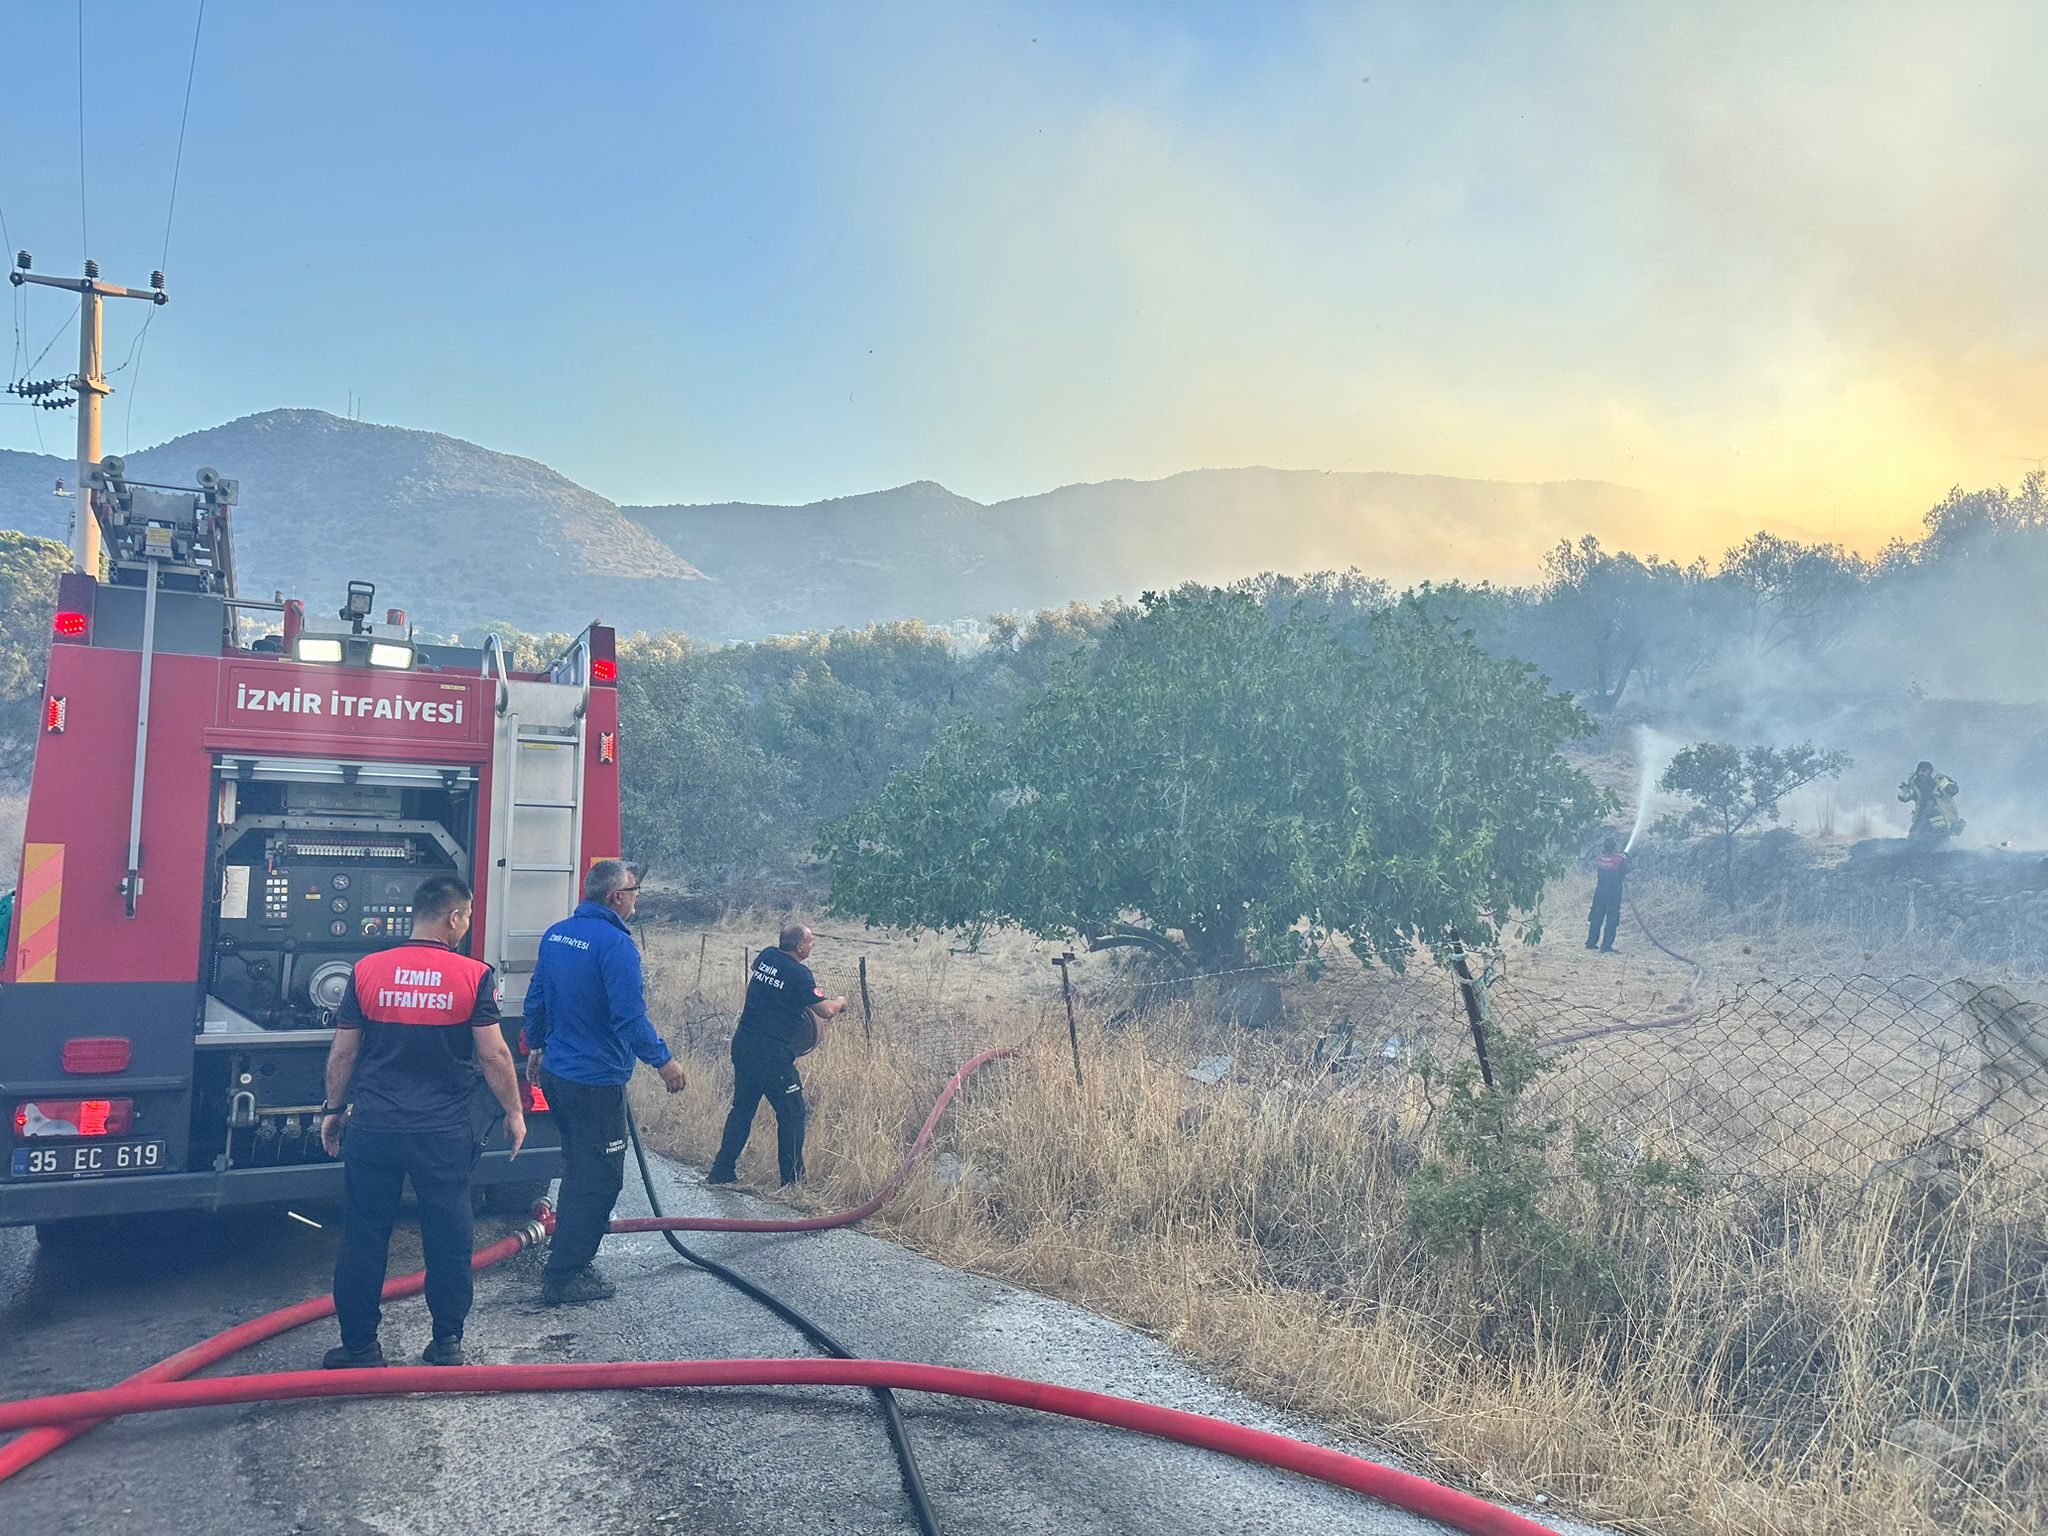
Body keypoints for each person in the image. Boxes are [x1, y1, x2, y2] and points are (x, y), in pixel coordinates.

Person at [319, 874, 525, 1369]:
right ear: (454, 917)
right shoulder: (474, 976)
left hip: (374, 1128)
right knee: (449, 1237)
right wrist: (514, 1111)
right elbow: (495, 1055)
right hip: (442, 1133)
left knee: (364, 1236)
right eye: (468, 916)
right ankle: (446, 1343)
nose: (467, 924)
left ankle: (360, 1347)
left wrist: (332, 1110)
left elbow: (343, 1053)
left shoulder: (366, 971)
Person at [523, 859, 687, 1305]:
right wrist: (663, 1062)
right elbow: (628, 1015)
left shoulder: (557, 934)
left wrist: (536, 1045)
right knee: (599, 1178)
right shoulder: (616, 945)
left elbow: (537, 997)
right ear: (616, 898)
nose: (636, 899)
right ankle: (566, 1274)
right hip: (594, 1082)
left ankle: (567, 1254)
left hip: (558, 1075)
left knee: (578, 1167)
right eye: (634, 891)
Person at [708, 923, 847, 1188]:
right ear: (800, 947)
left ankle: (721, 1171)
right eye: (811, 941)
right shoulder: (800, 975)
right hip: (772, 1054)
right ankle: (792, 1183)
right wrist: (841, 1002)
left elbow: (763, 974)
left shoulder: (767, 956)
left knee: (742, 1109)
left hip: (744, 1043)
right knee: (792, 1113)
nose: (813, 945)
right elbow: (826, 1011)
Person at [1898, 760, 1964, 842]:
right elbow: (1903, 798)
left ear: (1930, 772)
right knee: (1914, 835)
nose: (1921, 773)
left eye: (1924, 770)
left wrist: (1945, 790)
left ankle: (1942, 834)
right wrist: (1906, 784)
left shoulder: (1938, 779)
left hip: (1943, 813)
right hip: (1922, 814)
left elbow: (1953, 789)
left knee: (1933, 813)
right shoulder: (1914, 782)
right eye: (1919, 771)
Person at [1586, 838, 1629, 953]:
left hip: (1599, 892)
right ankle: (1606, 946)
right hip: (1613, 894)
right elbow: (1626, 870)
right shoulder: (1619, 860)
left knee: (1596, 918)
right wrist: (1625, 859)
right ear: (1614, 848)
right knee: (1612, 920)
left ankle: (1591, 943)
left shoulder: (1600, 858)